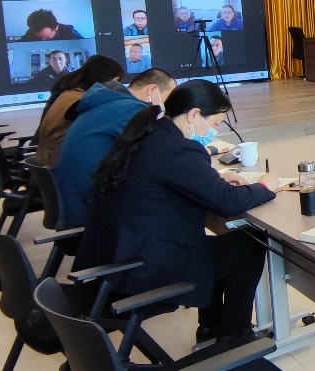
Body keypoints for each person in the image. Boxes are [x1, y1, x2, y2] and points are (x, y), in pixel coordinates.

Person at [73, 79, 276, 345]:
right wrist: (265, 186)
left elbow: (166, 180)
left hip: (118, 256)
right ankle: (233, 336)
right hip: (142, 267)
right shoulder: (179, 149)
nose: (213, 131)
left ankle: (211, 327)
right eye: (215, 124)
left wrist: (214, 178)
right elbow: (227, 202)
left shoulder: (148, 133)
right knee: (250, 243)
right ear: (194, 115)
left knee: (217, 245)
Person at [53, 69, 176, 228]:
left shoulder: (109, 102)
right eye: (168, 98)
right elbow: (158, 151)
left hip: (75, 199)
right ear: (152, 89)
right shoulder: (131, 110)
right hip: (89, 209)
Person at [35, 55, 124, 167]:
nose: (118, 86)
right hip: (60, 163)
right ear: (105, 78)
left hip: (49, 160)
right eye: (116, 81)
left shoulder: (69, 93)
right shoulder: (83, 101)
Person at [20, 9, 85, 41]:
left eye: (47, 37)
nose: (43, 40)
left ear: (56, 27)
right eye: (40, 37)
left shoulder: (69, 31)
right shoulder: (31, 31)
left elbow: (84, 44)